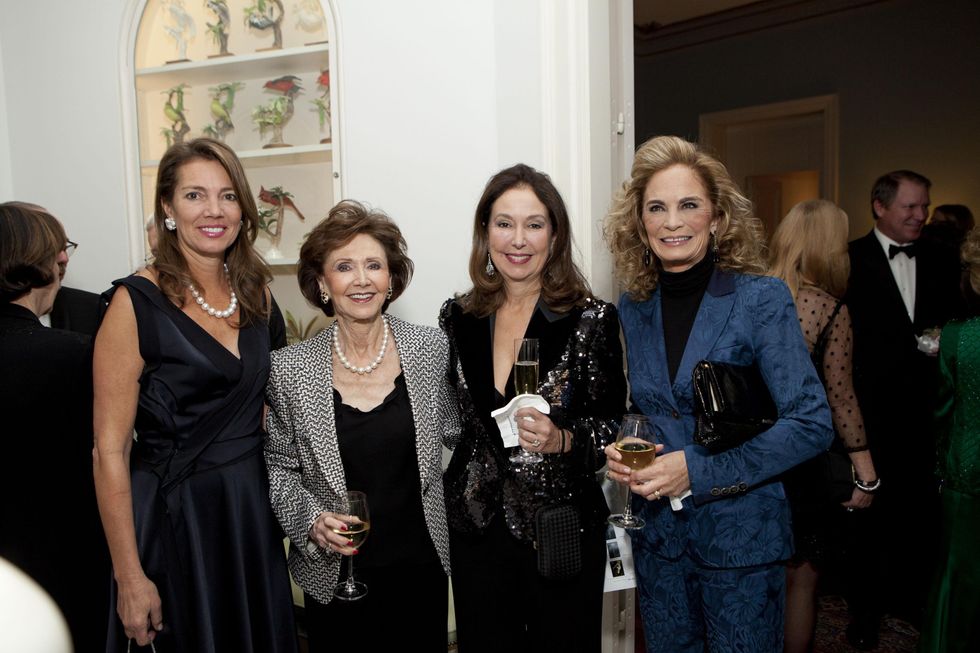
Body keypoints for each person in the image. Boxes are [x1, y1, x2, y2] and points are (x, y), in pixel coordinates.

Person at [602, 135, 833, 653]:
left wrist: (698, 469)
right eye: (656, 208)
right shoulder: (634, 307)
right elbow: (650, 407)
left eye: (689, 205)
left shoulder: (760, 299)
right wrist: (623, 443)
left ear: (718, 218)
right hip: (660, 540)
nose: (672, 222)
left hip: (742, 541)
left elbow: (812, 423)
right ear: (640, 224)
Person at [92, 137, 297, 651]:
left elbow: (273, 416)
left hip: (248, 517)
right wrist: (129, 576)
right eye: (195, 195)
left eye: (228, 196)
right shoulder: (133, 303)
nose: (214, 210)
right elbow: (109, 451)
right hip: (174, 520)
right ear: (167, 207)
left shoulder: (259, 297)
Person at [439, 163, 626, 652]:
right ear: (485, 232)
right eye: (504, 223)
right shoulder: (458, 316)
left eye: (534, 224)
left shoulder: (589, 318)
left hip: (558, 527)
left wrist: (563, 438)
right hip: (477, 525)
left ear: (554, 234)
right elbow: (450, 416)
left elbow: (612, 425)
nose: (517, 240)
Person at [264, 200, 460, 652]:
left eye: (374, 265)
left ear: (391, 280)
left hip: (419, 567)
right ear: (321, 283)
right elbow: (277, 469)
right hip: (336, 573)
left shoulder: (431, 350)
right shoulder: (289, 370)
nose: (361, 279)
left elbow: (461, 436)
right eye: (344, 266)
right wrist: (311, 521)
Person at [844, 170, 964, 646]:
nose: (921, 215)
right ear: (880, 206)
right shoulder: (849, 258)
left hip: (926, 415)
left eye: (924, 206)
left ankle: (915, 605)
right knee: (867, 527)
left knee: (920, 519)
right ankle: (864, 614)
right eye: (911, 207)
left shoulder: (942, 259)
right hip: (870, 417)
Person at [768, 199, 880, 653]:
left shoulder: (749, 297)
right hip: (803, 461)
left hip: (749, 456)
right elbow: (841, 395)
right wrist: (866, 472)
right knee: (801, 581)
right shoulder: (829, 308)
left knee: (757, 579)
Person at [0, 201, 110, 651]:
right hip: (66, 558)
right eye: (57, 249)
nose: (64, 259)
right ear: (48, 261)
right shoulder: (73, 355)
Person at [918, 225, 980, 653]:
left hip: (967, 470)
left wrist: (939, 467)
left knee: (960, 576)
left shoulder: (958, 337)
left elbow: (942, 412)